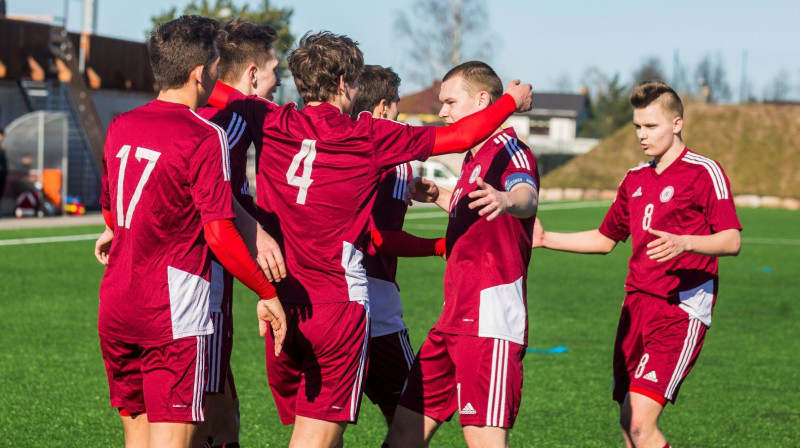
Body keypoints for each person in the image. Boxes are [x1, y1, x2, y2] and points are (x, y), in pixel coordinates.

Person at [207, 32, 533, 448]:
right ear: (344, 83)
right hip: (336, 304)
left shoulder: (266, 117)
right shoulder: (368, 134)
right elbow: (460, 138)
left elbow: (206, 88)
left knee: (312, 431)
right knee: (316, 437)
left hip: (279, 301)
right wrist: (510, 101)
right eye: (357, 82)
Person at [92, 16, 286, 448]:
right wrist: (267, 293)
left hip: (117, 304)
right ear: (201, 71)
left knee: (136, 438)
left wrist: (117, 231)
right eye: (216, 62)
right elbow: (219, 235)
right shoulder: (205, 135)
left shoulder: (121, 124)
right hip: (173, 311)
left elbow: (112, 211)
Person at [532, 80, 742, 448]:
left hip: (681, 308)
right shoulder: (635, 178)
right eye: (637, 127)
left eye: (651, 126)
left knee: (641, 425)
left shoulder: (703, 171)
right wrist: (547, 239)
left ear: (677, 123)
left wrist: (685, 242)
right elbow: (604, 240)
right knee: (630, 426)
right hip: (635, 308)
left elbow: (731, 239)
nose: (642, 136)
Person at [385, 61, 539, 448]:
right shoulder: (474, 157)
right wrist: (439, 196)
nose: (443, 112)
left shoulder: (511, 152)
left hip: (488, 322)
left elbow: (527, 195)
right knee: (404, 434)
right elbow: (472, 209)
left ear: (483, 100)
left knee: (484, 441)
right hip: (452, 318)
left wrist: (507, 199)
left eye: (451, 102)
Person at [194, 18, 285, 448]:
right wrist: (255, 230)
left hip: (212, 275)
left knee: (225, 406)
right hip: (203, 277)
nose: (279, 84)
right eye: (275, 73)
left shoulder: (221, 114)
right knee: (206, 405)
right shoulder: (227, 119)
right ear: (252, 75)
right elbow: (208, 197)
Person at [349, 65, 446, 440]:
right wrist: (439, 245)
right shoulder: (393, 152)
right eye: (397, 107)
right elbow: (381, 239)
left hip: (320, 294)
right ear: (386, 107)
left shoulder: (336, 140)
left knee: (323, 421)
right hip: (375, 300)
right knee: (412, 417)